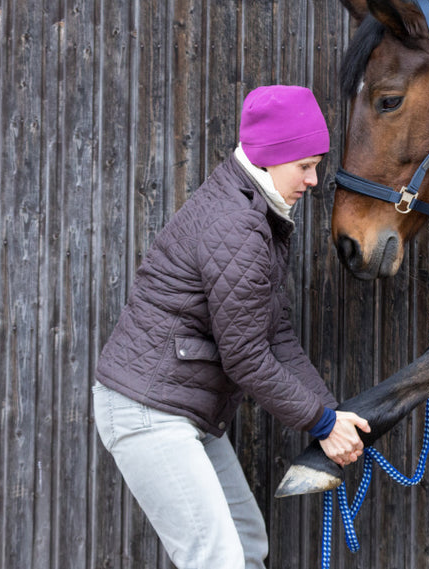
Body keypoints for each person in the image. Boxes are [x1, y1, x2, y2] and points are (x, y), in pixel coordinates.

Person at [92, 85, 370, 569]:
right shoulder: (237, 224)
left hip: (185, 408)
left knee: (244, 545)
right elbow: (245, 356)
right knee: (216, 559)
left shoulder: (257, 213)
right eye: (304, 165)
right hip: (148, 411)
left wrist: (331, 414)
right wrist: (322, 424)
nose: (314, 179)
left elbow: (276, 335)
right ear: (268, 158)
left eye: (317, 164)